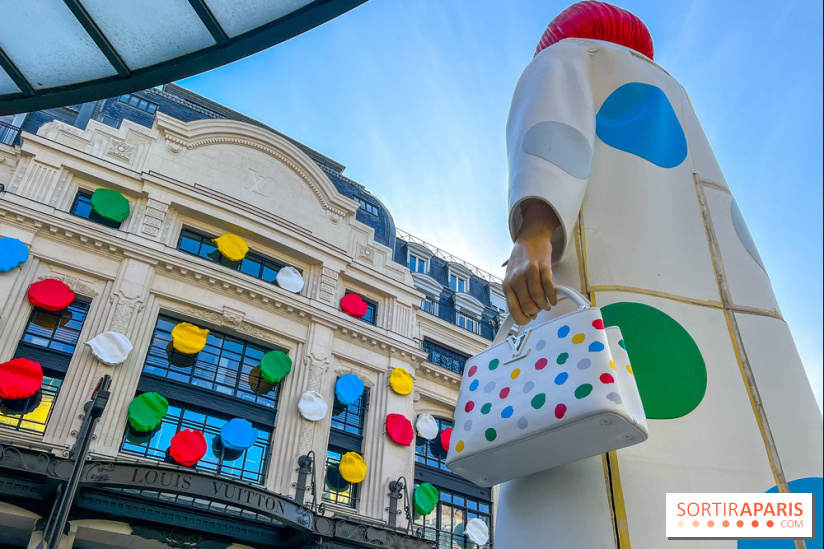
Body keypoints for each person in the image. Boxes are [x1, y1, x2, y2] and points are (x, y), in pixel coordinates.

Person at [496, 2, 823, 547]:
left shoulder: (569, 56)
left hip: (610, 299)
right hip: (719, 322)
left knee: (601, 492)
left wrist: (532, 230)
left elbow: (554, 133)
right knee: (731, 481)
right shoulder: (675, 95)